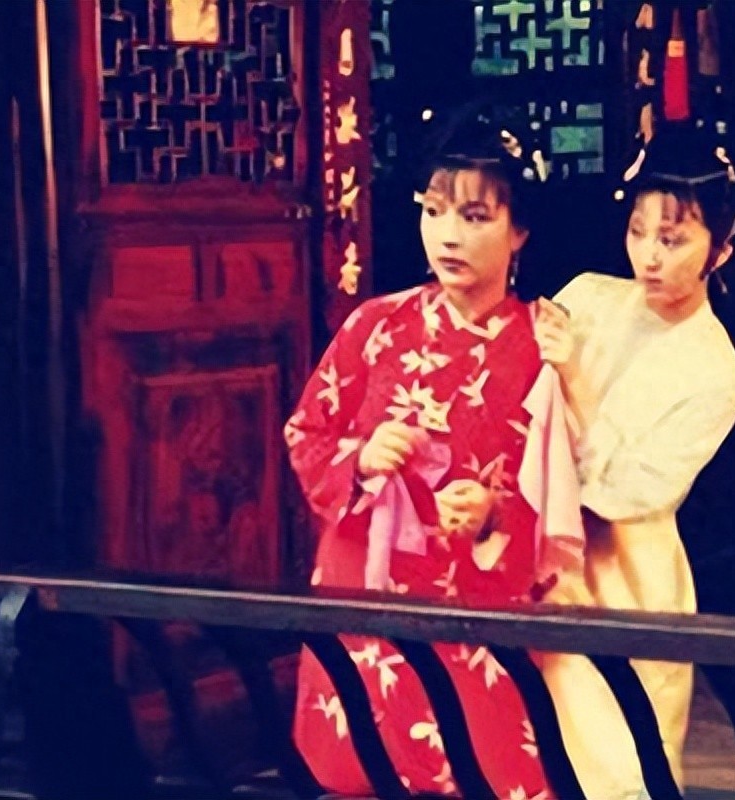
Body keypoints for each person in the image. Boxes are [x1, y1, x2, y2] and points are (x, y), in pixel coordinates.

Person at [285, 109, 570, 798]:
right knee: (362, 767)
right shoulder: (375, 326)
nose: (448, 235)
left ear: (519, 230)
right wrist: (360, 459)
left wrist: (497, 513)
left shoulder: (546, 346)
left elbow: (572, 490)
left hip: (478, 608)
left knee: (483, 772)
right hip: (369, 594)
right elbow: (306, 432)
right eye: (433, 210)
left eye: (475, 216)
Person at [534, 123, 735, 799]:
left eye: (673, 239)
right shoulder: (587, 297)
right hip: (542, 566)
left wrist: (574, 380)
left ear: (721, 247)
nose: (650, 256)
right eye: (638, 232)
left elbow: (624, 493)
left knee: (621, 769)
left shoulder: (717, 371)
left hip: (629, 576)